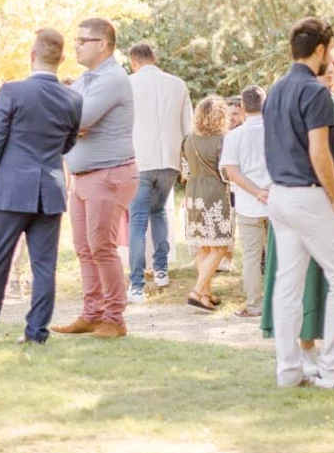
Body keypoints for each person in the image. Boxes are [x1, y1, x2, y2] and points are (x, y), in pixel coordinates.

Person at [264, 17, 334, 391]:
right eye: (333, 51)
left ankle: (289, 370)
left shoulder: (275, 90)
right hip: (310, 193)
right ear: (322, 50)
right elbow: (318, 153)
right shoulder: (316, 92)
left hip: (279, 194)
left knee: (288, 284)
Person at [0, 29, 82, 346]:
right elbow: (67, 145)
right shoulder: (73, 98)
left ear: (32, 55)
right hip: (51, 193)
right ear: (62, 59)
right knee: (44, 268)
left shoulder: (12, 91)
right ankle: (36, 333)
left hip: (10, 191)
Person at [54, 17, 138, 339]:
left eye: (81, 40)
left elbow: (81, 118)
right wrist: (72, 118)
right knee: (84, 248)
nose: (75, 45)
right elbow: (70, 116)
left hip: (108, 174)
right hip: (82, 176)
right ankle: (92, 314)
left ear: (102, 44)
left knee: (102, 247)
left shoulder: (113, 78)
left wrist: (75, 120)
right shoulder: (88, 79)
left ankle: (114, 319)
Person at [126, 39, 193, 302]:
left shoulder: (128, 85)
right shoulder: (177, 84)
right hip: (169, 160)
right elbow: (187, 127)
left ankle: (136, 284)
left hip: (140, 160)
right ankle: (162, 269)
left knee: (138, 220)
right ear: (155, 58)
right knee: (159, 214)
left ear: (134, 61)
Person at [220, 85, 270, 318]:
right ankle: (278, 302)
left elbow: (232, 171)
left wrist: (255, 191)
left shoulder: (235, 136)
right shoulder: (277, 131)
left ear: (241, 106)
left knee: (251, 256)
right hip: (276, 200)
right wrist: (267, 190)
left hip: (249, 203)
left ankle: (255, 304)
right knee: (278, 253)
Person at [183, 94, 234, 310]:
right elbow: (226, 172)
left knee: (204, 247)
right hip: (214, 193)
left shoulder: (188, 139)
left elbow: (184, 171)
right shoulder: (222, 141)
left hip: (193, 193)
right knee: (220, 247)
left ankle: (206, 293)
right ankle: (197, 291)